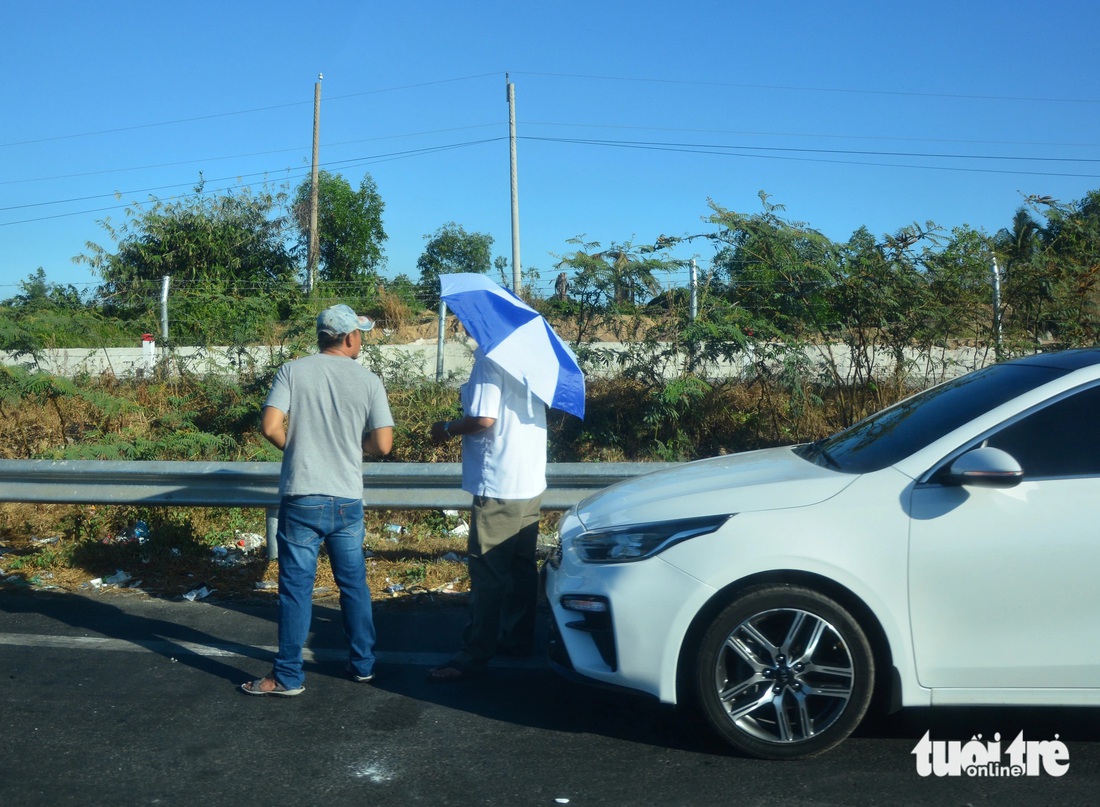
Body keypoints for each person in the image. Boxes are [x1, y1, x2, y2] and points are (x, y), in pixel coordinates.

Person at [241, 304, 394, 696]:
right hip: (346, 499)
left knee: (296, 589)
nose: (362, 339)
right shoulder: (369, 380)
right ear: (348, 338)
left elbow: (270, 426)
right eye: (360, 333)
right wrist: (352, 448)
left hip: (302, 496)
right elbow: (383, 443)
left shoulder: (293, 371)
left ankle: (289, 677)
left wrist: (300, 449)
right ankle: (362, 665)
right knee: (354, 586)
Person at [426, 347, 547, 682]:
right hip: (530, 478)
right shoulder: (533, 357)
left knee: (488, 573)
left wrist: (446, 428)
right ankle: (517, 639)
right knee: (522, 566)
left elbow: (483, 418)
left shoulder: (489, 359)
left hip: (499, 483)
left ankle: (474, 654)